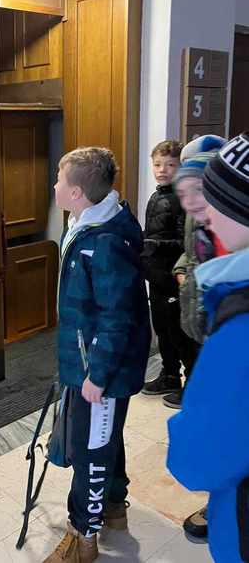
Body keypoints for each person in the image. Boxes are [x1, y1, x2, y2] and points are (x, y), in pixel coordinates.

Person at [44, 147, 150, 563]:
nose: (53, 185)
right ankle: (113, 508)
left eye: (59, 179)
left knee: (90, 450)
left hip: (100, 369)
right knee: (105, 437)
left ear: (76, 193)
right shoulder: (86, 222)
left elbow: (117, 318)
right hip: (89, 358)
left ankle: (83, 536)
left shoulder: (104, 241)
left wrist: (98, 375)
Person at [168, 132, 249, 563]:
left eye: (214, 200)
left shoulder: (241, 326)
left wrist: (184, 426)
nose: (206, 213)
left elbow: (197, 460)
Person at [170, 134, 227, 538]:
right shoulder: (199, 216)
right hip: (203, 329)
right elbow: (191, 250)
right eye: (184, 190)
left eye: (199, 189)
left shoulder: (233, 227)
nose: (190, 200)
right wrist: (182, 269)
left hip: (224, 333)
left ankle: (223, 504)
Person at [141, 140, 199, 403]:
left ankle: (192, 384)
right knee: (162, 329)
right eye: (157, 165)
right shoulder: (156, 196)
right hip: (156, 276)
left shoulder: (183, 198)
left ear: (181, 166)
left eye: (170, 165)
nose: (162, 170)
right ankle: (170, 374)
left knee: (180, 332)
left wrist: (154, 244)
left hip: (174, 276)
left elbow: (185, 242)